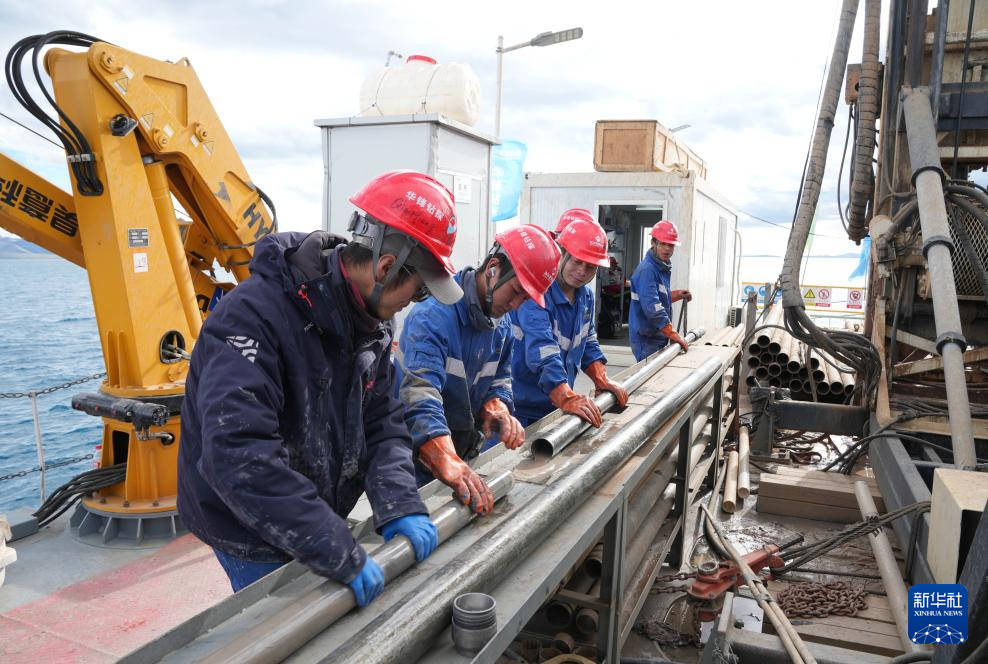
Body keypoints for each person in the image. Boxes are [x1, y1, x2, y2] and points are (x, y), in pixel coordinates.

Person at [177, 170, 463, 605]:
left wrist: (399, 503)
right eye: (420, 291)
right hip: (246, 524)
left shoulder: (372, 323)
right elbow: (237, 454)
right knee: (286, 627)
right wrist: (332, 545)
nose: (413, 302)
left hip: (311, 509)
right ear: (386, 267)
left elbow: (382, 421)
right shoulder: (250, 319)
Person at [395, 225, 560, 514]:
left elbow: (500, 376)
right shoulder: (433, 317)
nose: (515, 305)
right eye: (516, 291)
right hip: (413, 459)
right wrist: (444, 456)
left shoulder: (500, 323)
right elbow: (420, 396)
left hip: (461, 451)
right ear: (494, 268)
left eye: (525, 299)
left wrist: (497, 405)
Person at [510, 215, 629, 428]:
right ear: (561, 253)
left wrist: (601, 378)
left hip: (555, 406)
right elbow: (543, 350)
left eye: (591, 267)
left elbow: (588, 342)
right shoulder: (537, 293)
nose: (582, 271)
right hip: (519, 411)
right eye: (577, 261)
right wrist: (566, 397)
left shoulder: (586, 297)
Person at [629, 219, 692, 361]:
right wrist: (672, 333)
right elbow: (652, 307)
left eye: (671, 245)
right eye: (663, 244)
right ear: (653, 243)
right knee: (650, 374)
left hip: (656, 335)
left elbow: (656, 297)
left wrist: (677, 295)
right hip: (647, 339)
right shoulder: (647, 270)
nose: (667, 249)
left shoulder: (661, 268)